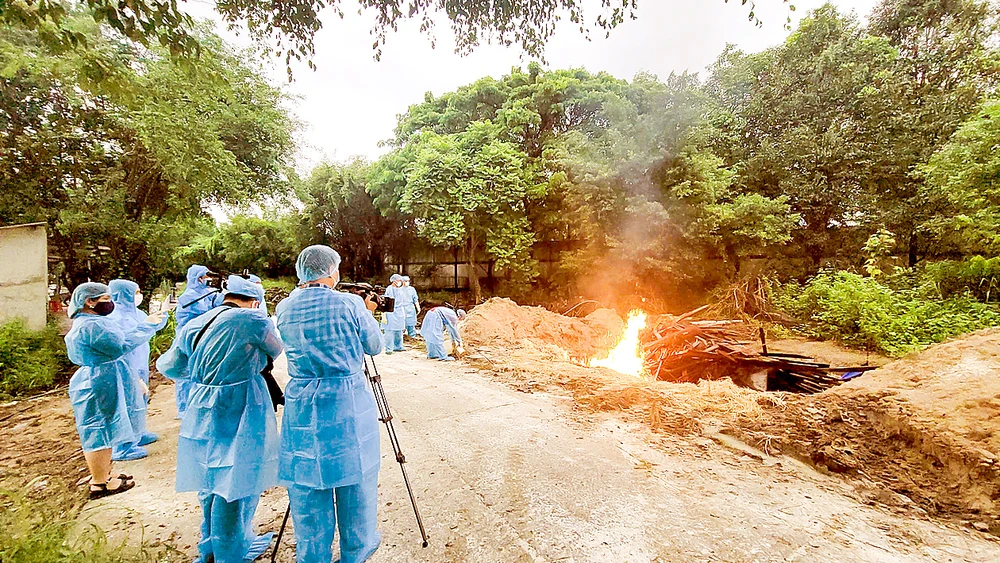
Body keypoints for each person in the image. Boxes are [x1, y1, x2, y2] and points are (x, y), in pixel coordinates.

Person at [156, 275, 282, 563]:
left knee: (210, 475)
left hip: (201, 405)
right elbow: (275, 349)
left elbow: (171, 366)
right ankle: (231, 553)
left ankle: (210, 546)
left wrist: (208, 377)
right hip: (242, 404)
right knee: (237, 478)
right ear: (254, 301)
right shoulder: (254, 320)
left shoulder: (195, 323)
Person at [275, 245, 383, 563]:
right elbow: (374, 346)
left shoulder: (285, 307)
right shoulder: (350, 304)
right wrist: (368, 312)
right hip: (346, 400)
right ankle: (356, 550)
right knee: (356, 477)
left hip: (303, 403)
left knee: (308, 480)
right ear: (332, 271)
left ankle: (313, 554)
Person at [65, 283, 166, 499]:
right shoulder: (91, 326)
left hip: (103, 377)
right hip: (99, 381)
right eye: (105, 298)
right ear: (89, 301)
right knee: (98, 430)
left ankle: (105, 475)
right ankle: (99, 483)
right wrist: (147, 326)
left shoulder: (92, 322)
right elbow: (121, 345)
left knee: (106, 427)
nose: (110, 302)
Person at [107, 279, 168, 461]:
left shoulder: (136, 313)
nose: (139, 296)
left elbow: (151, 326)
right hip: (126, 367)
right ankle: (122, 447)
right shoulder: (115, 318)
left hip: (140, 364)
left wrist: (163, 314)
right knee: (126, 404)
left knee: (139, 401)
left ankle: (138, 433)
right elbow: (122, 347)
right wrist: (133, 377)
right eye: (136, 292)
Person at [174, 265, 224, 417]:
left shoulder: (208, 293)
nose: (207, 279)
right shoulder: (189, 296)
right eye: (204, 276)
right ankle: (184, 408)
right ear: (197, 278)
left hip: (203, 337)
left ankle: (199, 404)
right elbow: (203, 313)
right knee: (187, 374)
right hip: (190, 336)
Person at [382, 274, 406, 353]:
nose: (400, 282)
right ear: (394, 281)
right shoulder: (389, 289)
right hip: (391, 311)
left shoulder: (400, 289)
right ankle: (389, 348)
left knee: (399, 330)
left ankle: (398, 346)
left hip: (399, 311)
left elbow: (402, 300)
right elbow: (389, 300)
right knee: (390, 330)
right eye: (399, 280)